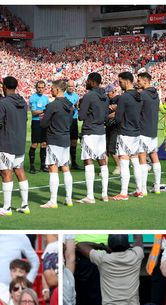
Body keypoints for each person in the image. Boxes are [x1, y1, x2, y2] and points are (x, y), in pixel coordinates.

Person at [0, 75, 29, 216]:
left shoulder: (3, 103)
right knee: (20, 171)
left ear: (5, 87)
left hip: (6, 142)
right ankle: (25, 205)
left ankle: (6, 208)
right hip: (20, 142)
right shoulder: (23, 102)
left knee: (6, 173)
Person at [75, 72, 109, 203]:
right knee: (102, 161)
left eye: (88, 80)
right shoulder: (105, 96)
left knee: (88, 160)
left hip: (90, 131)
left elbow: (81, 116)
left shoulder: (88, 96)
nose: (86, 82)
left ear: (93, 82)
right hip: (101, 131)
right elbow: (106, 116)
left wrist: (79, 108)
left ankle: (90, 196)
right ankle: (104, 194)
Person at [40, 79, 74, 208]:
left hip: (54, 138)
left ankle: (53, 201)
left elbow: (43, 124)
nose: (51, 90)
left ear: (58, 89)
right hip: (65, 138)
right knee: (65, 168)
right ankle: (68, 199)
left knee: (53, 168)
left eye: (52, 89)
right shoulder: (70, 104)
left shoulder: (53, 105)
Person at [112, 72, 143, 201]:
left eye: (120, 82)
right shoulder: (139, 95)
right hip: (136, 132)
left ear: (127, 81)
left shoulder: (124, 97)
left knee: (124, 161)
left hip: (125, 132)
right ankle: (139, 190)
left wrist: (113, 114)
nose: (119, 84)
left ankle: (123, 193)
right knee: (135, 161)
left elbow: (118, 118)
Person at [136, 72, 161, 195]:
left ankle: (143, 189)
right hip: (153, 130)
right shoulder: (156, 95)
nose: (137, 82)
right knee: (154, 156)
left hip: (143, 129)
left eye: (139, 80)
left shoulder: (143, 95)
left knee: (142, 157)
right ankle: (157, 186)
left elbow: (137, 111)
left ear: (145, 81)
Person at [28, 80, 49, 174]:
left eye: (42, 88)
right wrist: (44, 110)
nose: (40, 89)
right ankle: (32, 166)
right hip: (36, 122)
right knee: (35, 144)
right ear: (36, 88)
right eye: (39, 88)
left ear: (44, 88)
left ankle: (43, 165)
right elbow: (34, 112)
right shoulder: (33, 98)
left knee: (44, 144)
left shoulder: (46, 98)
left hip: (44, 122)